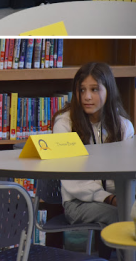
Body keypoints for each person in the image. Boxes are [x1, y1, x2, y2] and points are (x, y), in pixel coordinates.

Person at [53, 62, 134, 258]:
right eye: (82, 90)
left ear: (109, 90)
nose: (87, 96)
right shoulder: (64, 124)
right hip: (78, 202)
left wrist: (121, 199)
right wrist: (109, 198)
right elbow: (72, 179)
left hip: (121, 199)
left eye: (94, 89)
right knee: (124, 219)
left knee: (127, 214)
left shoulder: (124, 126)